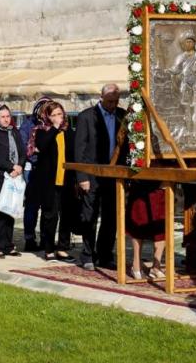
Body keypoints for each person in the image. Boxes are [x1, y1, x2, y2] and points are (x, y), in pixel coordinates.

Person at [74, 83, 126, 270]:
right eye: (110, 101)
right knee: (90, 215)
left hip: (113, 175)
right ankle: (88, 254)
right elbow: (79, 149)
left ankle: (105, 254)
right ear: (101, 98)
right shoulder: (86, 117)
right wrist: (82, 177)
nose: (113, 104)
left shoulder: (122, 116)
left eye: (116, 101)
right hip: (92, 175)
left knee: (111, 216)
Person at [26, 101, 74, 261]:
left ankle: (63, 248)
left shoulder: (68, 130)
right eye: (53, 115)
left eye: (60, 114)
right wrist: (54, 127)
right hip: (49, 180)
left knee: (66, 214)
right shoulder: (41, 130)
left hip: (66, 179)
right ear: (47, 116)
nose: (58, 117)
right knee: (50, 215)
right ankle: (48, 248)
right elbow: (43, 145)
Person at [0, 104, 26, 259]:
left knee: (10, 211)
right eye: (2, 117)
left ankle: (8, 245)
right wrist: (11, 166)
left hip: (14, 176)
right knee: (0, 212)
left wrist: (19, 167)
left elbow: (22, 152)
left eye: (8, 116)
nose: (6, 119)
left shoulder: (14, 132)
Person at [20, 97, 52, 252]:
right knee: (32, 205)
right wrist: (36, 151)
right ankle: (29, 238)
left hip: (49, 168)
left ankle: (46, 238)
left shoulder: (53, 125)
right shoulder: (28, 125)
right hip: (32, 168)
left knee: (48, 205)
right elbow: (24, 146)